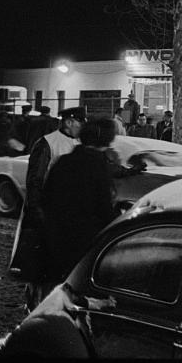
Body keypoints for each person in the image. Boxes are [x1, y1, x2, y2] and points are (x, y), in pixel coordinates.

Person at [11, 106, 85, 310]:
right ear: (69, 121)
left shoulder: (79, 143)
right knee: (40, 263)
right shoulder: (47, 143)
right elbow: (35, 179)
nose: (82, 126)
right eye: (80, 121)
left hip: (65, 214)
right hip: (47, 213)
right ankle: (34, 303)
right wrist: (36, 210)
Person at [41, 118, 119, 285]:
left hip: (56, 238)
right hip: (85, 242)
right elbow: (103, 207)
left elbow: (46, 198)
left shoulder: (63, 162)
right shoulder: (98, 165)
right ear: (106, 140)